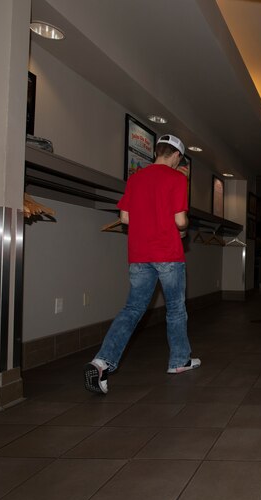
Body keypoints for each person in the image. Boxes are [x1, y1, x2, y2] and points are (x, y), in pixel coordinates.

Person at [84, 134, 200, 394]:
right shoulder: (177, 178)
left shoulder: (135, 179)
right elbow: (180, 220)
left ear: (157, 151)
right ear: (177, 156)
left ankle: (102, 361)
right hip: (168, 253)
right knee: (176, 309)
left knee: (132, 309)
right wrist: (183, 229)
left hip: (139, 255)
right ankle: (179, 361)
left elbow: (125, 218)